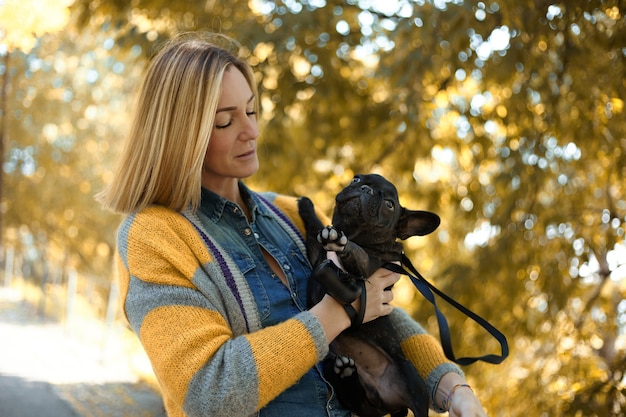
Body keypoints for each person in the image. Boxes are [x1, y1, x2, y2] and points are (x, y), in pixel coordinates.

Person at [97, 31, 487, 417]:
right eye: (224, 122)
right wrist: (338, 311)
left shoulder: (291, 214)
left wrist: (451, 388)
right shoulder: (154, 238)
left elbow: (382, 314)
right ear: (180, 135)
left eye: (251, 111)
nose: (251, 131)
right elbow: (208, 391)